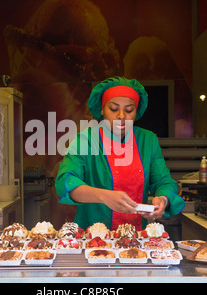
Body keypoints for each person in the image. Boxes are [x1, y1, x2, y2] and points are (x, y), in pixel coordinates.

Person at [55, 76, 185, 231]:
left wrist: (162, 199)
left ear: (136, 111)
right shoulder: (86, 140)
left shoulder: (148, 140)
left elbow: (164, 182)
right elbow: (65, 181)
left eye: (129, 110)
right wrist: (104, 196)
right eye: (114, 109)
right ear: (102, 109)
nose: (122, 116)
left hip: (135, 238)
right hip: (91, 238)